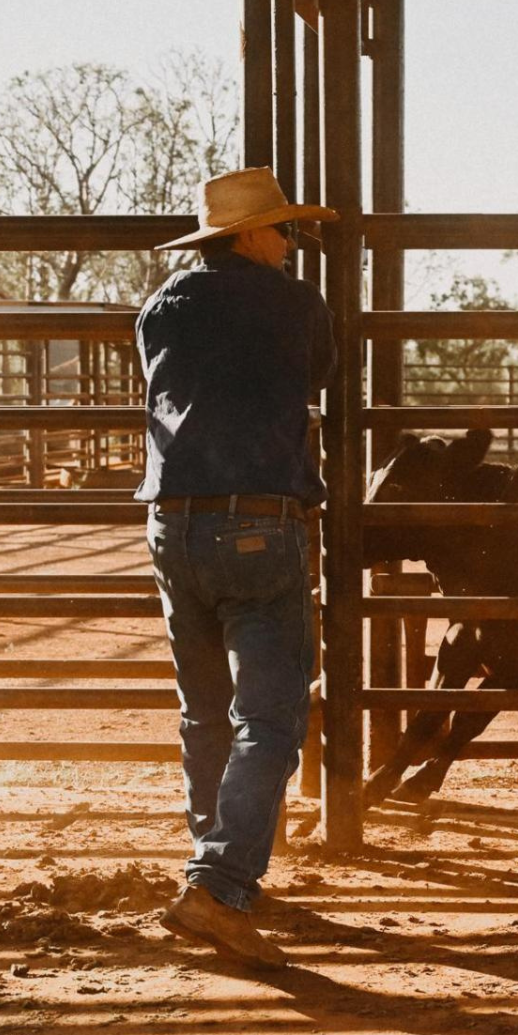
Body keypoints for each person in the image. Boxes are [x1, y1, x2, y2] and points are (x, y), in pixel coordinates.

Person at [136, 166, 338, 970]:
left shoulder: (160, 305)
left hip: (171, 522)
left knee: (205, 710)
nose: (291, 244)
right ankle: (218, 886)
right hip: (259, 519)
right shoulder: (292, 303)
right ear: (250, 236)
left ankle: (217, 862)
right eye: (283, 230)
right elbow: (315, 377)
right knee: (273, 718)